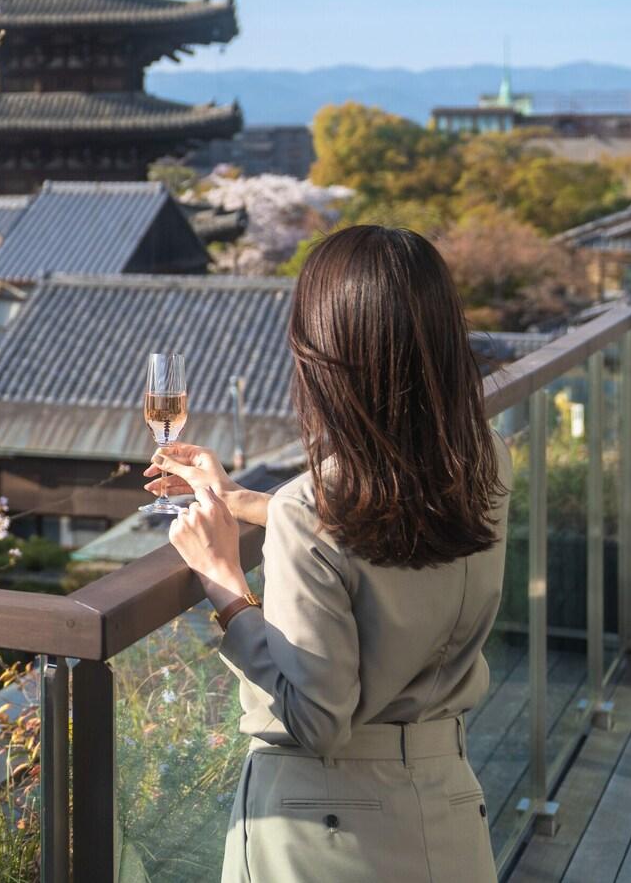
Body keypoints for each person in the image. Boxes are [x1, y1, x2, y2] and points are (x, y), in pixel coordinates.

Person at [149, 225, 509, 883]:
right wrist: (249, 502)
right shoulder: (481, 466)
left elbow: (317, 719)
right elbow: (381, 525)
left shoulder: (312, 510)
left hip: (324, 834)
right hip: (448, 804)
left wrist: (222, 578)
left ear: (327, 356)